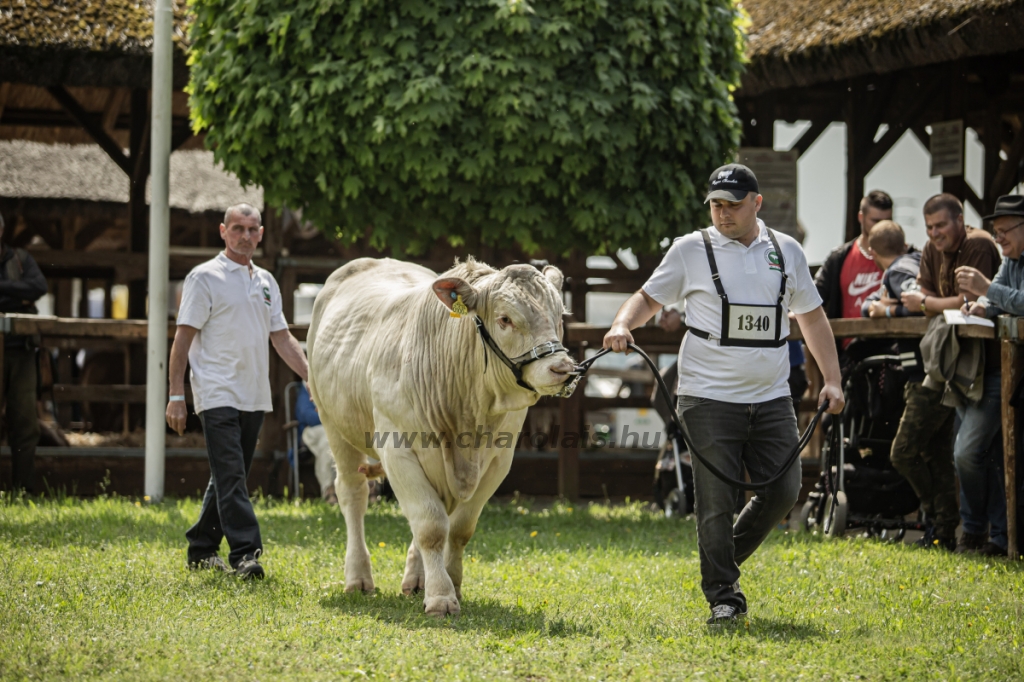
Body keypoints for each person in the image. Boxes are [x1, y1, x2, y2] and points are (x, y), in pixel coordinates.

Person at [605, 163, 844, 625]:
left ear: (757, 203)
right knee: (715, 499)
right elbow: (648, 298)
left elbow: (811, 318)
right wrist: (621, 324)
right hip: (706, 395)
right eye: (715, 204)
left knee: (784, 490)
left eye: (733, 204)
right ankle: (723, 595)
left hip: (772, 395)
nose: (722, 213)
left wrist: (830, 379)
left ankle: (719, 560)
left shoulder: (787, 251)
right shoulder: (689, 249)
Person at [166, 203, 309, 578]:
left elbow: (281, 338)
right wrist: (177, 395)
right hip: (215, 392)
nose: (245, 235)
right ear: (223, 231)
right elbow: (182, 339)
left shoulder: (266, 281)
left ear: (261, 234)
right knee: (231, 476)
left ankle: (201, 547)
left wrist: (311, 375)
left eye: (251, 229)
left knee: (230, 476)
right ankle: (246, 554)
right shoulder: (204, 277)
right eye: (237, 228)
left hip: (253, 393)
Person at [901, 194, 1004, 556]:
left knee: (967, 453)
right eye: (929, 227)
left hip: (988, 367)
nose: (935, 233)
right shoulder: (932, 247)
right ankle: (982, 534)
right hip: (957, 368)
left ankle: (985, 531)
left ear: (960, 220)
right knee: (978, 455)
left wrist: (929, 304)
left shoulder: (978, 243)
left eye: (941, 225)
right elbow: (928, 293)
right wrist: (932, 301)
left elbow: (961, 300)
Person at [861, 220, 958, 550]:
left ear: (870, 252)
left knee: (903, 453)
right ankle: (943, 532)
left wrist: (887, 310)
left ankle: (938, 519)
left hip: (927, 375)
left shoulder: (898, 272)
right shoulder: (912, 261)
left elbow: (917, 310)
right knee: (937, 454)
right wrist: (878, 306)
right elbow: (871, 303)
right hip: (940, 370)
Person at [956, 194, 1024, 557]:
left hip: (1008, 378)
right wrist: (979, 304)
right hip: (1004, 376)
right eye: (996, 232)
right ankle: (997, 536)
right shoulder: (1011, 261)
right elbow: (997, 299)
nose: (999, 239)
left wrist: (986, 290)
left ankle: (985, 532)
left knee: (972, 452)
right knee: (992, 455)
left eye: (1004, 231)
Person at [0, 210, 48, 493]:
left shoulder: (20, 259)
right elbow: (27, 291)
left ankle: (23, 489)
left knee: (25, 423)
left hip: (21, 351)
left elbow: (38, 287)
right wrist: (16, 293)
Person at [814, 191, 893, 354]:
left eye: (887, 221)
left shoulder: (905, 257)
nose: (881, 227)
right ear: (861, 217)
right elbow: (814, 295)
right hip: (849, 355)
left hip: (891, 350)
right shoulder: (839, 258)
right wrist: (796, 312)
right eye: (876, 221)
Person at [293, 382, 339, 505]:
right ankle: (329, 490)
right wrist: (333, 418)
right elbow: (307, 414)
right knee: (328, 441)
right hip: (315, 429)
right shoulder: (306, 384)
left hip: (340, 428)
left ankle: (369, 490)